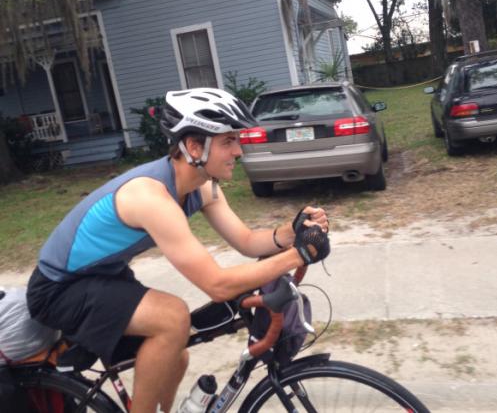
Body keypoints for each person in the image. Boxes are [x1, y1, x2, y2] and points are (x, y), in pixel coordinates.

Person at [26, 87, 330, 413]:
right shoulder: (151, 197)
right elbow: (217, 285)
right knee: (173, 318)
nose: (239, 151)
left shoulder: (203, 186)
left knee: (177, 353)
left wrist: (290, 232)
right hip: (58, 290)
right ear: (194, 146)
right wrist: (300, 254)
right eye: (228, 141)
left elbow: (246, 240)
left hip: (101, 277)